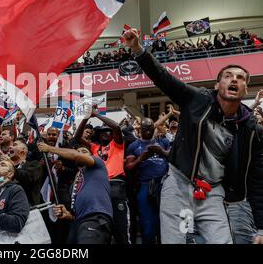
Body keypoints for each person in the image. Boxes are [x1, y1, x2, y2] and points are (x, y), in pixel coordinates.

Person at [123, 28, 263, 244]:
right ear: (217, 85)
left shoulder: (251, 129)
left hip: (213, 192)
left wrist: (261, 227)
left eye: (240, 78)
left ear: (245, 88)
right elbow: (164, 79)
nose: (233, 80)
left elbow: (257, 178)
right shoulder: (197, 99)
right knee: (177, 240)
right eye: (228, 76)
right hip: (179, 184)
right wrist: (138, 50)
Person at [38, 142, 113, 244]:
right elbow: (76, 214)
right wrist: (68, 214)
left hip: (95, 218)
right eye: (78, 151)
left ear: (91, 156)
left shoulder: (98, 164)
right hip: (78, 223)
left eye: (84, 152)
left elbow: (75, 155)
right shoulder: (74, 184)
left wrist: (49, 148)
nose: (79, 153)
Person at [75, 107, 128, 244]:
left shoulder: (117, 144)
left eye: (107, 131)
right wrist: (86, 117)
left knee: (120, 229)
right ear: (98, 134)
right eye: (102, 131)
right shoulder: (94, 148)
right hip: (98, 189)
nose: (105, 133)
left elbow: (116, 127)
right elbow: (77, 137)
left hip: (115, 186)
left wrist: (96, 114)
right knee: (103, 227)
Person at [125, 118, 170, 244]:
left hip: (164, 184)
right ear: (140, 129)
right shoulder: (134, 145)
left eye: (151, 129)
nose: (148, 132)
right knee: (147, 224)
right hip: (145, 185)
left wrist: (163, 152)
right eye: (145, 129)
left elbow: (175, 158)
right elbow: (128, 167)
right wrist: (141, 158)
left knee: (165, 222)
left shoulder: (163, 141)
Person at [6, 140, 43, 206]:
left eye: (15, 145)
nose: (10, 147)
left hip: (27, 207)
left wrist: (11, 167)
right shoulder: (5, 167)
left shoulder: (34, 164)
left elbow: (28, 177)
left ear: (23, 151)